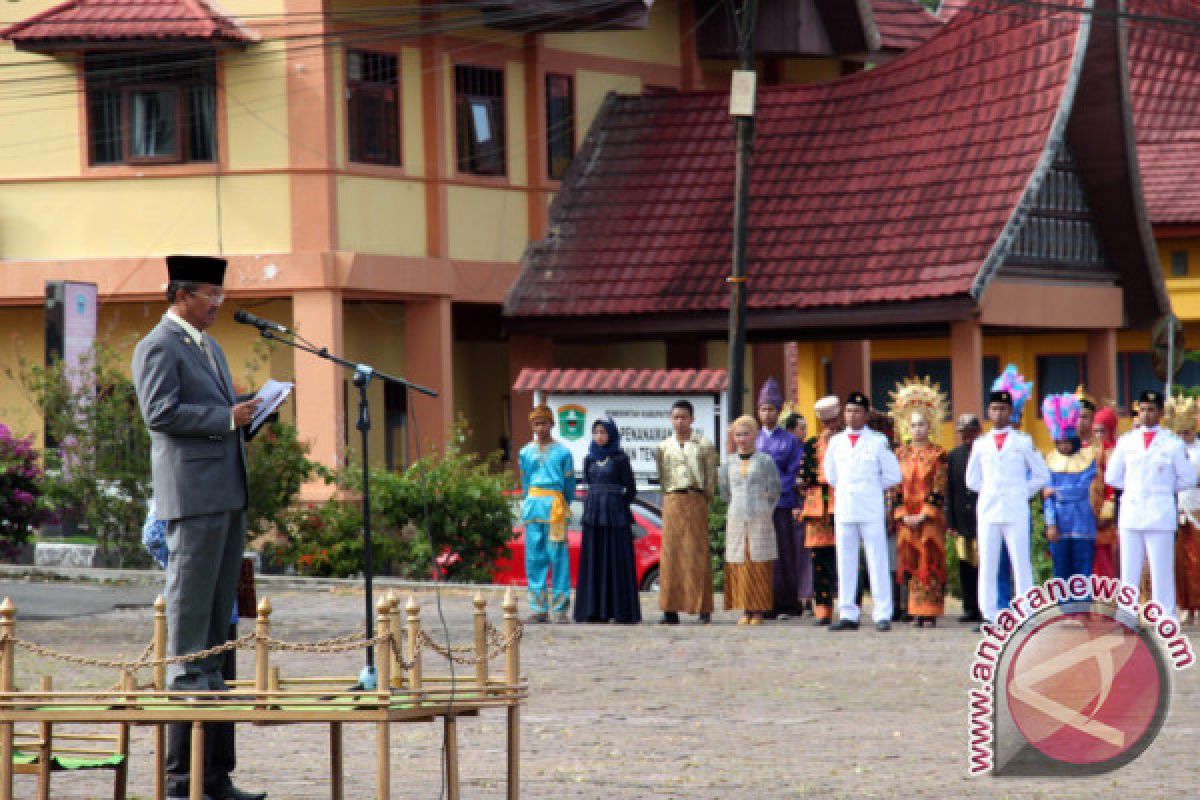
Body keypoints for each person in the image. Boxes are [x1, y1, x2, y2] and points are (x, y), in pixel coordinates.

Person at [131, 254, 266, 800]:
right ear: (181, 294)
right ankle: (188, 675)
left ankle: (214, 768)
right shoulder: (157, 345)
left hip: (226, 490)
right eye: (211, 293)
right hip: (191, 494)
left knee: (219, 606)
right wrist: (222, 418)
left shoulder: (207, 346)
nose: (219, 303)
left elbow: (214, 409)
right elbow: (159, 413)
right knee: (189, 598)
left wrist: (251, 411)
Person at [966, 375, 1050, 625]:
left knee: (1021, 561)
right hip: (989, 509)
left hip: (1014, 509)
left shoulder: (1022, 442)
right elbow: (971, 479)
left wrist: (1020, 491)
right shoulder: (981, 444)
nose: (999, 413)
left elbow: (1041, 475)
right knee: (988, 562)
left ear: (1011, 411)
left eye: (1003, 408)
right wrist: (991, 490)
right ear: (988, 412)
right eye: (994, 408)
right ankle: (990, 613)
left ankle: (1027, 612)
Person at [1107, 390, 1196, 621]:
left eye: (1151, 410)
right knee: (1129, 571)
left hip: (1160, 512)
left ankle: (1166, 619)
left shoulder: (1172, 444)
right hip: (1132, 511)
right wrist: (1135, 488)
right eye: (1143, 410)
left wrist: (1164, 488)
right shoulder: (1127, 442)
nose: (1146, 415)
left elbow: (1188, 478)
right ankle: (1126, 617)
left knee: (1161, 571)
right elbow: (1112, 477)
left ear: (1160, 413)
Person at [824, 392, 902, 632]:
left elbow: (893, 475)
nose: (851, 415)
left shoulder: (878, 441)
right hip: (846, 507)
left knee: (877, 560)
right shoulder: (836, 442)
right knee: (845, 561)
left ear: (866, 415)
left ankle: (882, 613)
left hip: (870, 508)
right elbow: (831, 475)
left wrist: (869, 487)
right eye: (848, 411)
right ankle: (848, 613)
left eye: (857, 411)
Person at [890, 378, 950, 628]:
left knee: (930, 559)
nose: (917, 429)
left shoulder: (938, 455)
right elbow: (894, 486)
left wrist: (924, 513)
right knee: (911, 561)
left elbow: (939, 486)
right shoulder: (899, 455)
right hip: (906, 515)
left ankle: (931, 610)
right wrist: (902, 513)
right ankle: (914, 610)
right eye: (913, 425)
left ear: (930, 425)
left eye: (922, 424)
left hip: (929, 517)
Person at [654, 400, 718, 624]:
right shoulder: (664, 446)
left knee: (697, 554)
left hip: (696, 498)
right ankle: (670, 609)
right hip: (673, 499)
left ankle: (703, 607)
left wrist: (702, 499)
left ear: (692, 419)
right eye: (676, 417)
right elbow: (663, 476)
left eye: (684, 417)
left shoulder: (704, 445)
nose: (680, 421)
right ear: (671, 419)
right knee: (671, 556)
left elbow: (711, 479)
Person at [575, 418, 641, 624]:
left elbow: (630, 489)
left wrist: (615, 504)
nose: (599, 436)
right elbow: (588, 483)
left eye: (603, 432)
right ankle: (594, 610)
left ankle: (620, 610)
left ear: (611, 435)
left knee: (615, 560)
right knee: (594, 559)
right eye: (596, 432)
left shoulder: (620, 459)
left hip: (615, 516)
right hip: (594, 515)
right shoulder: (589, 459)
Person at [720, 415, 782, 625]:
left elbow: (775, 490)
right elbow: (725, 491)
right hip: (737, 518)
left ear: (755, 435)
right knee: (741, 563)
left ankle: (758, 611)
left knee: (759, 563)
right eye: (738, 435)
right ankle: (745, 609)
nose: (742, 438)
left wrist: (765, 509)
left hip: (760, 518)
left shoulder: (765, 461)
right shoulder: (728, 462)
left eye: (746, 434)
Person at [519, 404, 576, 623]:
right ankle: (538, 608)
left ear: (552, 424)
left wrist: (564, 504)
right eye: (536, 424)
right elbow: (525, 482)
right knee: (534, 558)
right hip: (533, 507)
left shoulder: (563, 452)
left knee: (558, 557)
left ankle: (560, 609)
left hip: (555, 507)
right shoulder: (524, 452)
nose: (540, 428)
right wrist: (527, 502)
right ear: (532, 426)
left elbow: (569, 484)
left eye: (544, 423)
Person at [755, 378, 806, 619]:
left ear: (779, 412)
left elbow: (794, 472)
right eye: (763, 409)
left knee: (784, 553)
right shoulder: (752, 439)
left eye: (771, 409)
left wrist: (773, 490)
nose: (767, 413)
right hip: (757, 506)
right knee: (761, 553)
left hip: (782, 504)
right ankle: (762, 602)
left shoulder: (790, 441)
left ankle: (787, 604)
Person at [1040, 393, 1098, 581]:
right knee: (1061, 572)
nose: (1063, 446)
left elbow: (1081, 490)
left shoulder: (1088, 459)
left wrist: (1056, 492)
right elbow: (1047, 499)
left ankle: (1081, 609)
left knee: (1083, 571)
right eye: (1059, 442)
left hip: (1083, 523)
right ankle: (1065, 611)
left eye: (1066, 442)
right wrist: (1050, 524)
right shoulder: (1050, 460)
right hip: (1059, 525)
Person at [801, 396, 841, 625]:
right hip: (818, 508)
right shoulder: (812, 444)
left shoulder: (849, 441)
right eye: (825, 422)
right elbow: (805, 476)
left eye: (833, 421)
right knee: (819, 562)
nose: (830, 426)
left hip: (843, 504)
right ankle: (823, 609)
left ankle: (849, 608)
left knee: (846, 559)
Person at [945, 414, 983, 624]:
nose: (967, 438)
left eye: (971, 434)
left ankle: (983, 606)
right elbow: (949, 490)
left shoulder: (985, 453)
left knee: (982, 565)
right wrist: (950, 520)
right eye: (964, 434)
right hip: (961, 518)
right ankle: (969, 607)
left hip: (982, 517)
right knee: (965, 565)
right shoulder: (954, 456)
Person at [1090, 405, 1120, 579]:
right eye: (1096, 432)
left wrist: (1106, 513)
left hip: (1110, 517)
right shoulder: (1090, 451)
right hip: (1090, 516)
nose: (1098, 436)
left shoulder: (1116, 452)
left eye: (1102, 431)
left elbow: (1114, 487)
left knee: (1109, 561)